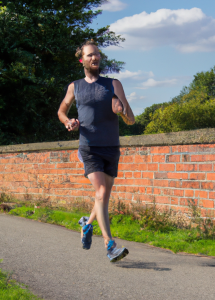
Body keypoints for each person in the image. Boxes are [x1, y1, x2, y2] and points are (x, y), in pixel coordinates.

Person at [57, 40, 135, 262]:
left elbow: (131, 119)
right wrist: (68, 121)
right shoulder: (75, 86)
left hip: (111, 147)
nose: (95, 58)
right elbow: (62, 110)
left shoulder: (114, 84)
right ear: (82, 59)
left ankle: (86, 224)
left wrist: (121, 111)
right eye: (90, 55)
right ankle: (110, 245)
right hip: (89, 147)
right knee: (101, 193)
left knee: (103, 197)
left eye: (97, 55)